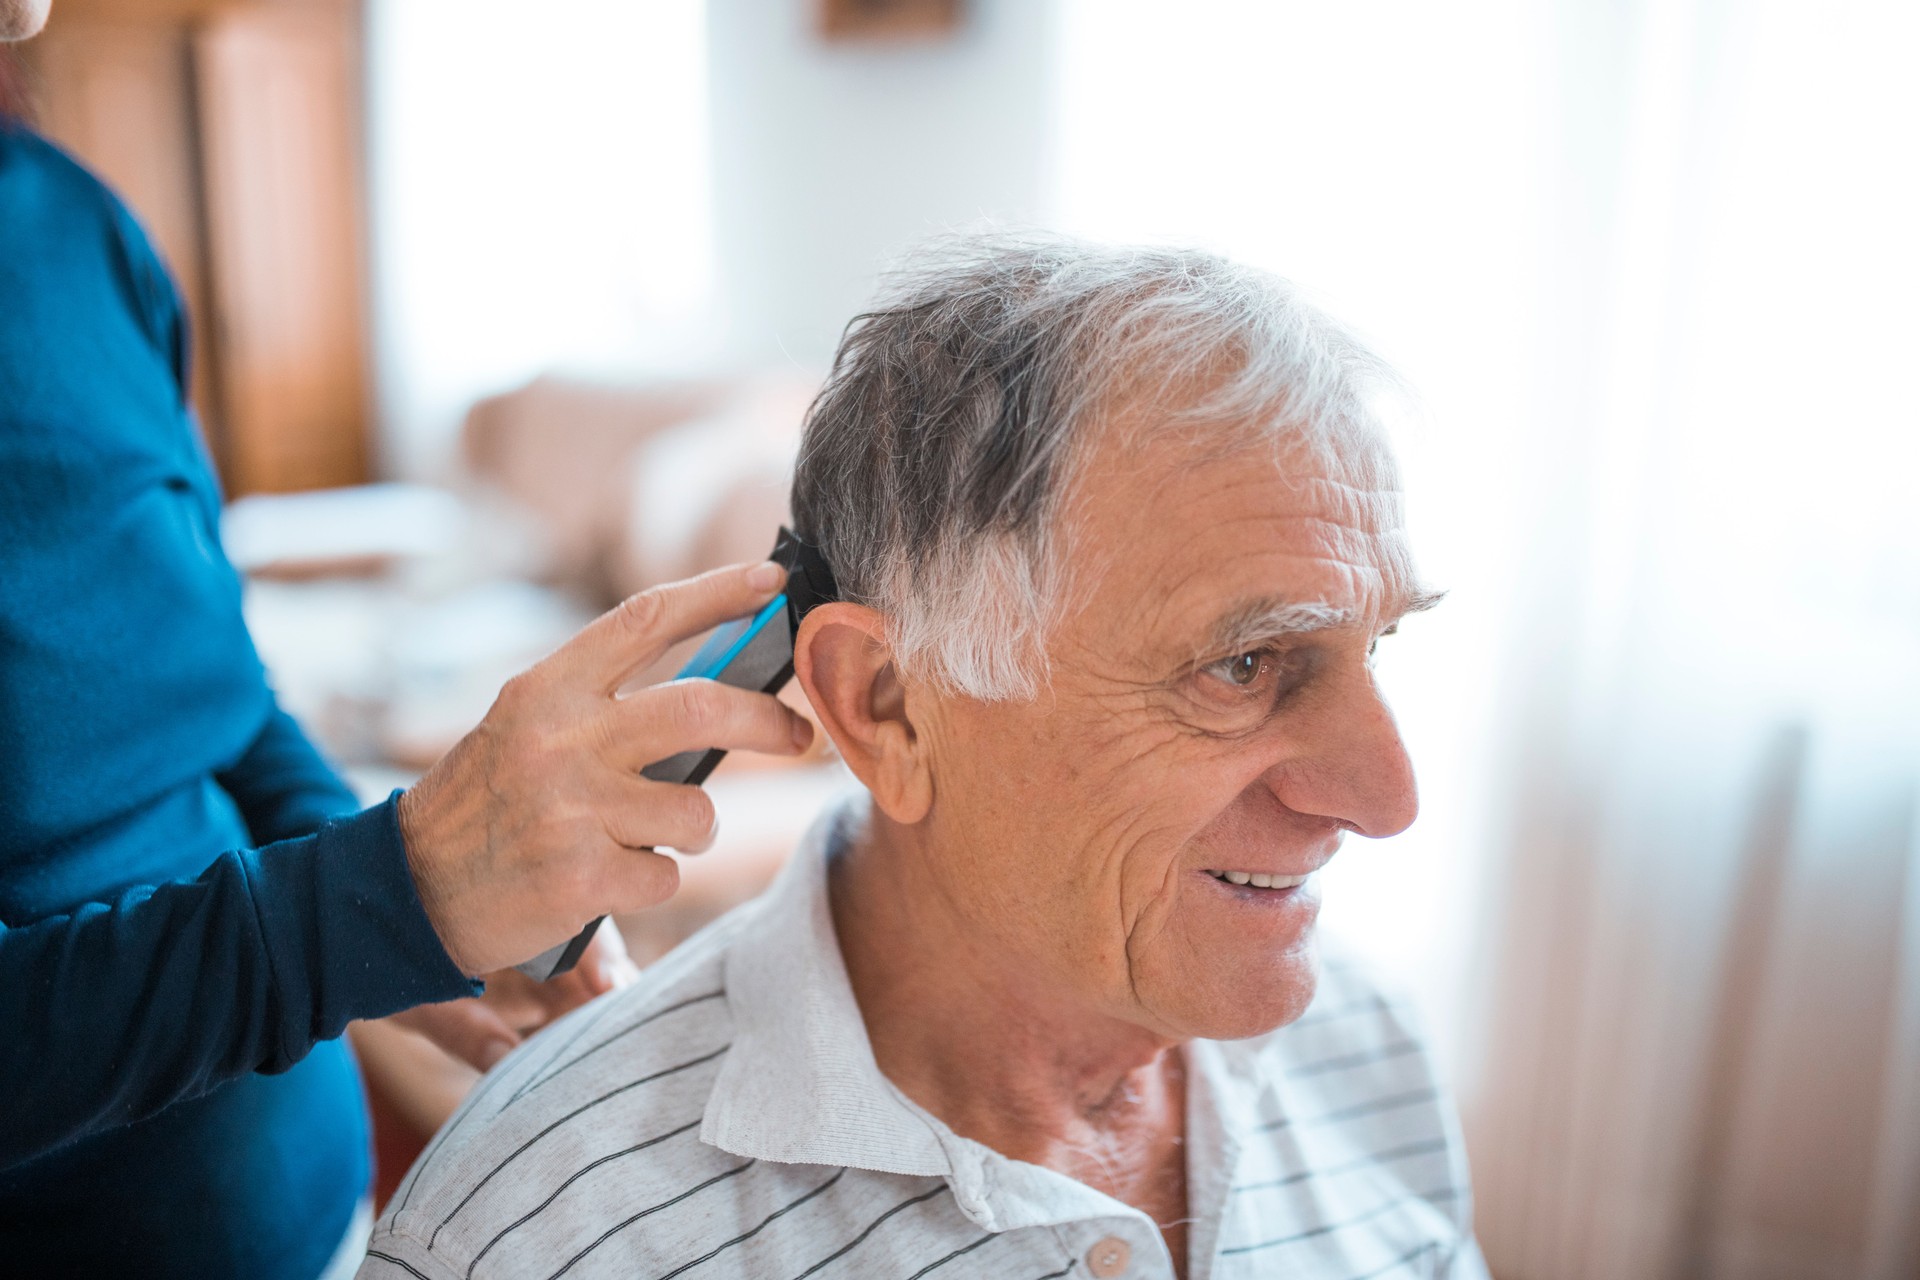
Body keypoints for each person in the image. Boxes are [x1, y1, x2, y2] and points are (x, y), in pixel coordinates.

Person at [362, 235, 1488, 1279]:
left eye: (1374, 642)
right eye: (1244, 663)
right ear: (887, 706)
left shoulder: (1364, 1040)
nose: (1388, 799)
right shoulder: (537, 1231)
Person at [0, 2, 813, 1275]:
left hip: (313, 1212)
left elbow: (219, 699)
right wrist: (387, 894)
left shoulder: (73, 231)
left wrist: (400, 922)